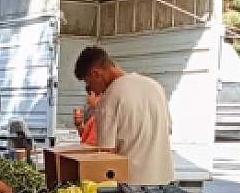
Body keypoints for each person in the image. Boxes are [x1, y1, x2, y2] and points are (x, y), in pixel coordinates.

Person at [73, 46, 175, 185]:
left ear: (96, 73)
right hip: (165, 182)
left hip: (131, 186)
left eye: (89, 83)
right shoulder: (155, 86)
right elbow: (167, 129)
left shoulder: (109, 99)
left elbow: (106, 155)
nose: (92, 89)